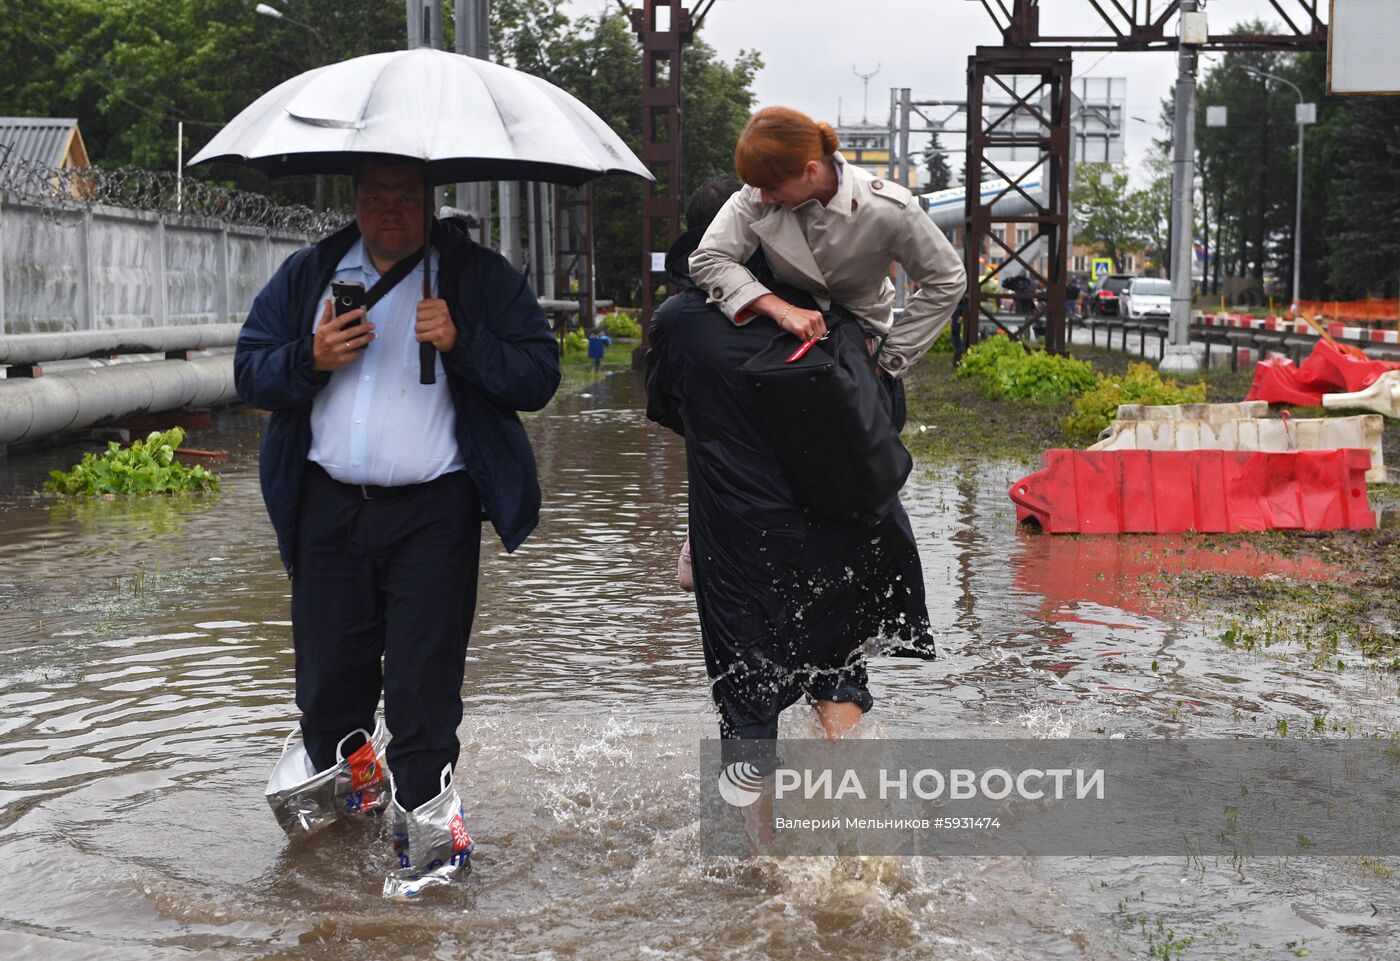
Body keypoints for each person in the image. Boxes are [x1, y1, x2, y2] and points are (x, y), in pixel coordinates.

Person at [235, 156, 560, 897]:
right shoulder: (310, 272)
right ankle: (346, 839)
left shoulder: (475, 276)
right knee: (326, 691)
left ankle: (435, 862)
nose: (390, 212)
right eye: (375, 198)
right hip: (329, 510)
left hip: (435, 513)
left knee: (422, 693)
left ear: (428, 203)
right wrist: (309, 358)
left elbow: (539, 376)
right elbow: (249, 370)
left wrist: (462, 340)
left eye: (405, 199)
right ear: (354, 202)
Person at [647, 177, 939, 761]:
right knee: (839, 672)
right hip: (841, 527)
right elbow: (886, 419)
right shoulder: (836, 317)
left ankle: (756, 852)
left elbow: (670, 409)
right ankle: (855, 838)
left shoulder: (679, 322)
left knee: (747, 702)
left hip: (739, 540)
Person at [689, 106, 965, 384]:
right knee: (678, 320)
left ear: (810, 171)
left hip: (859, 333)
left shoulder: (887, 208)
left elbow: (947, 279)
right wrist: (780, 309)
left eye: (772, 188)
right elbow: (709, 258)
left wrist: (890, 360)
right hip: (780, 325)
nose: (764, 199)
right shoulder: (757, 191)